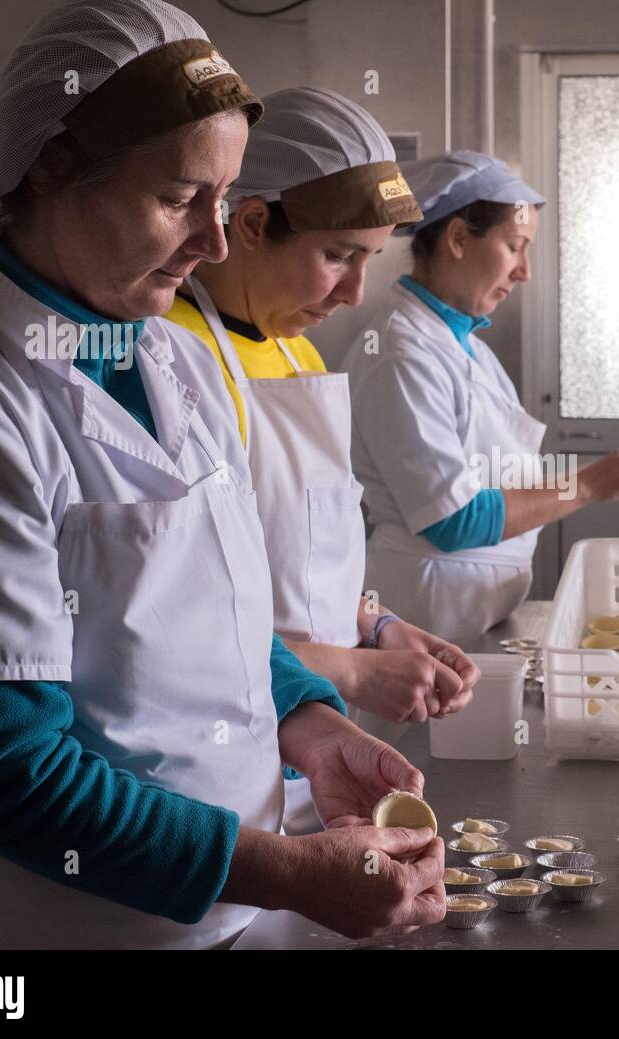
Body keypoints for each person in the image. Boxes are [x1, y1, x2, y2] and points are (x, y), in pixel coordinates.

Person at [0, 0, 441, 949]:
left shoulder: (169, 362)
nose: (216, 242)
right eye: (181, 199)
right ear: (52, 170)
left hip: (228, 917)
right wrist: (282, 868)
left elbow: (216, 612)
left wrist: (307, 721)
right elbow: (2, 768)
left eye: (224, 200)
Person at [163, 87, 479, 827]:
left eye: (368, 258)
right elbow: (181, 615)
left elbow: (296, 560)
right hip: (217, 762)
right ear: (251, 222)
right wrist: (355, 671)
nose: (354, 291)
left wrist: (375, 625)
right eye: (336, 255)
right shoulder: (173, 357)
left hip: (307, 746)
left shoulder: (292, 349)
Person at [341, 150, 619, 644]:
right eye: (516, 246)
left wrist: (608, 476)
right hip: (429, 611)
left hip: (471, 607)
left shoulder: (462, 344)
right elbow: (453, 518)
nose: (524, 272)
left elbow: (493, 478)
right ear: (457, 238)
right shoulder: (401, 353)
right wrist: (585, 486)